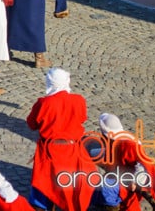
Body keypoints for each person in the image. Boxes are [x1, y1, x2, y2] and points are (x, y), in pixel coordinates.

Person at [26, 68, 96, 211]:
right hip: (72, 149)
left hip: (49, 150)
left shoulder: (43, 103)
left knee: (43, 181)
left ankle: (41, 206)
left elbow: (31, 124)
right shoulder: (79, 100)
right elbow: (82, 118)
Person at [88, 112, 155, 211]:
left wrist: (135, 181)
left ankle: (112, 207)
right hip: (118, 174)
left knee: (106, 187)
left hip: (129, 181)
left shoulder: (130, 145)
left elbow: (143, 166)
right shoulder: (113, 141)